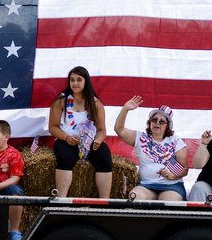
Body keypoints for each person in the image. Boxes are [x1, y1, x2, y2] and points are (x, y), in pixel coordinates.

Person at [48, 66, 112, 198]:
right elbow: (53, 127)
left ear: (86, 81)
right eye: (72, 80)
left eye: (79, 80)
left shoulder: (95, 103)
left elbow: (101, 129)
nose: (75, 83)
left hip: (90, 141)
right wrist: (66, 138)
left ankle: (104, 203)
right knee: (65, 158)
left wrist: (98, 140)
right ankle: (61, 201)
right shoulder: (61, 100)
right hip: (66, 140)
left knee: (104, 157)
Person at [114, 96, 188, 200]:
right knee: (134, 197)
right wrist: (125, 109)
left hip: (171, 186)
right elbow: (119, 129)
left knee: (170, 202)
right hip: (146, 186)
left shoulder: (176, 141)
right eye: (154, 120)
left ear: (168, 126)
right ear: (150, 122)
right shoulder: (140, 137)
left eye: (162, 121)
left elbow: (185, 170)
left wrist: (172, 176)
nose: (157, 123)